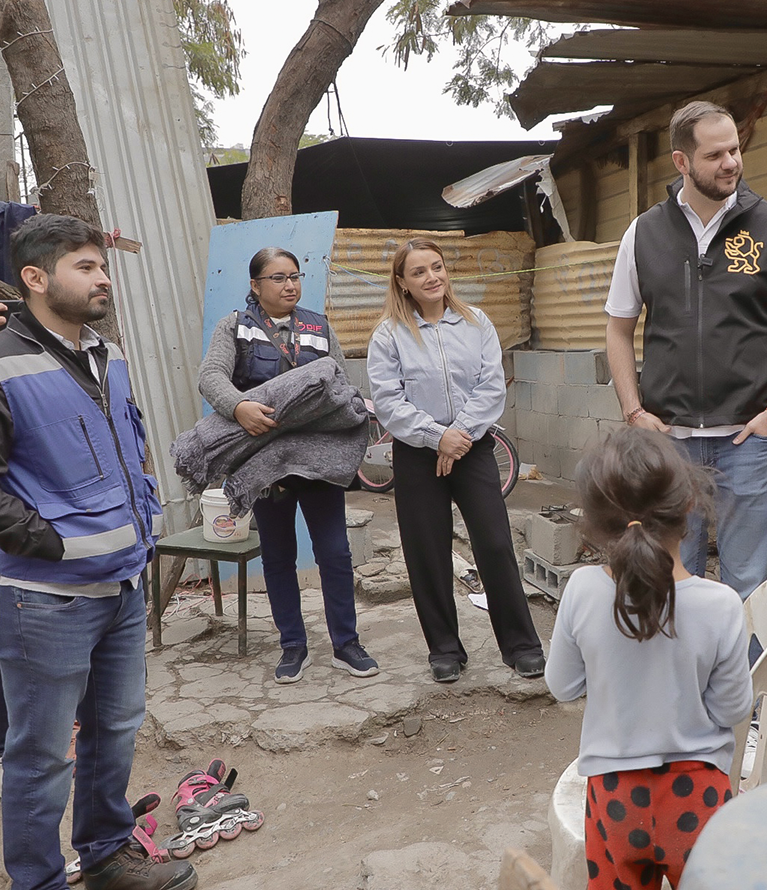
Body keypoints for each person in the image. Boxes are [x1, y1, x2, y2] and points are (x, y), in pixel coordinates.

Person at [0, 215, 195, 890]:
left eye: (101, 265)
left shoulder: (108, 353)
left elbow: (127, 450)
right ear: (35, 278)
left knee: (114, 729)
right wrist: (52, 544)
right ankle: (38, 881)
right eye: (84, 266)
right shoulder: (3, 359)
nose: (102, 276)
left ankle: (108, 854)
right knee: (41, 755)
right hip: (44, 597)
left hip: (121, 583)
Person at [605, 100, 767, 600]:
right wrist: (634, 411)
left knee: (746, 583)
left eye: (735, 150)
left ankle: (741, 680)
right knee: (672, 579)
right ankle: (682, 679)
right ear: (682, 162)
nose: (731, 163)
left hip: (750, 439)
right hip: (670, 442)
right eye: (715, 155)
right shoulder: (643, 233)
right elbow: (618, 329)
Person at [546, 428, 754, 890]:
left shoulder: (581, 590)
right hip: (697, 798)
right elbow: (733, 710)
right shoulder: (721, 605)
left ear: (596, 521)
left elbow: (562, 685)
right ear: (688, 508)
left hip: (615, 796)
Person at [366, 238, 545, 684]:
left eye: (437, 267)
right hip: (416, 454)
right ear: (402, 283)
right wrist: (435, 437)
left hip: (472, 449)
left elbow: (491, 386)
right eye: (419, 272)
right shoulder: (388, 334)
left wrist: (457, 437)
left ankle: (521, 645)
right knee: (426, 551)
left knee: (495, 543)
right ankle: (444, 649)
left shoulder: (475, 322)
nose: (432, 277)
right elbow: (388, 401)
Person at [200, 247, 378, 684]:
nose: (289, 285)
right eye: (278, 278)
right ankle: (293, 646)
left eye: (294, 276)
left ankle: (346, 644)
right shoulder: (234, 327)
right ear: (255, 286)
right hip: (265, 461)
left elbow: (339, 380)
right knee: (279, 556)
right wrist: (239, 406)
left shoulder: (317, 326)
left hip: (319, 460)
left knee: (335, 553)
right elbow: (211, 377)